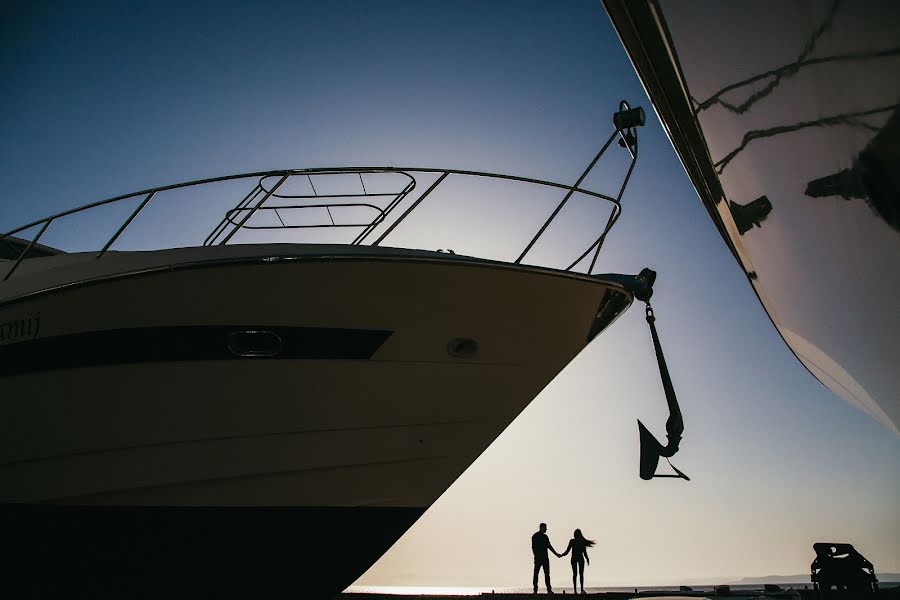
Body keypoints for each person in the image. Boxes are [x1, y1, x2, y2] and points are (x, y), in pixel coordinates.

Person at [560, 529, 595, 594]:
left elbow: (567, 551)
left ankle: (575, 590)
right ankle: (581, 589)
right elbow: (584, 552)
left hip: (574, 558)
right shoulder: (582, 541)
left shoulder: (572, 541)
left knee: (574, 574)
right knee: (581, 574)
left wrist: (562, 555)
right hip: (580, 558)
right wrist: (587, 559)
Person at [531, 522, 561, 594]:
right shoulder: (538, 536)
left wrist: (556, 554)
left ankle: (545, 590)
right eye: (545, 528)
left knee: (542, 574)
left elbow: (548, 546)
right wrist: (556, 554)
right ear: (542, 528)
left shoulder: (539, 536)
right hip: (541, 558)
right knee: (539, 574)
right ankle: (539, 589)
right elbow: (535, 547)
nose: (546, 530)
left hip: (542, 558)